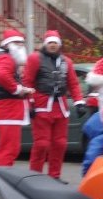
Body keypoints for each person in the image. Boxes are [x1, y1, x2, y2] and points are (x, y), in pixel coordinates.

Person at [23, 30, 86, 179]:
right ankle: (34, 177)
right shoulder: (34, 59)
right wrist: (29, 104)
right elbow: (27, 82)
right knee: (42, 144)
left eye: (55, 43)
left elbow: (73, 84)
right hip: (41, 106)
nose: (52, 45)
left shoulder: (66, 61)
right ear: (46, 44)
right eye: (50, 42)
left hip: (61, 107)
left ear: (59, 45)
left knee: (60, 143)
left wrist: (79, 102)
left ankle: (54, 176)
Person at [0, 29, 35, 166]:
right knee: (9, 150)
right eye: (17, 43)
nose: (21, 46)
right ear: (7, 44)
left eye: (22, 43)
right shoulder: (6, 58)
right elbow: (1, 75)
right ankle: (0, 175)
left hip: (8, 108)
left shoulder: (4, 58)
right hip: (8, 109)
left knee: (10, 149)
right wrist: (18, 89)